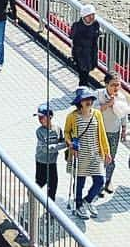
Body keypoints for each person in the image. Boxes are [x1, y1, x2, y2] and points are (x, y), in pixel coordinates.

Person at [64, 89, 110, 219]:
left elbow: (102, 133)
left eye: (90, 99)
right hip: (80, 154)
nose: (88, 101)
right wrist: (70, 143)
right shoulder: (72, 116)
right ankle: (78, 204)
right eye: (85, 99)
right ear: (80, 102)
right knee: (80, 182)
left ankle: (88, 200)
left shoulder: (97, 114)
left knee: (100, 180)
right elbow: (67, 132)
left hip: (95, 152)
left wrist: (106, 151)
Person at [97, 73, 128, 194]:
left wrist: (124, 130)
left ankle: (108, 181)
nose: (115, 87)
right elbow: (92, 111)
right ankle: (98, 184)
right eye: (112, 85)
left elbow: (124, 114)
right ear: (106, 84)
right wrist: (107, 105)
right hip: (100, 131)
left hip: (114, 132)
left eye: (118, 85)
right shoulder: (99, 94)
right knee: (100, 158)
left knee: (111, 158)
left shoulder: (121, 97)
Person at [34, 104, 66, 201]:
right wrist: (65, 145)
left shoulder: (57, 128)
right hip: (41, 161)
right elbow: (45, 149)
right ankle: (32, 195)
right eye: (38, 117)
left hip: (52, 162)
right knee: (40, 182)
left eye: (42, 117)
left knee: (53, 183)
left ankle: (51, 206)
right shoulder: (39, 131)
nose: (39, 119)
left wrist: (69, 142)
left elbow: (62, 140)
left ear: (50, 117)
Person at [70, 5, 101, 87]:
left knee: (87, 71)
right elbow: (72, 39)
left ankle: (84, 87)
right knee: (83, 73)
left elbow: (96, 37)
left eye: (93, 15)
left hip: (91, 52)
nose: (91, 18)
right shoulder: (77, 26)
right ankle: (83, 89)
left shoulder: (96, 24)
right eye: (88, 16)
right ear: (83, 17)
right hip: (80, 53)